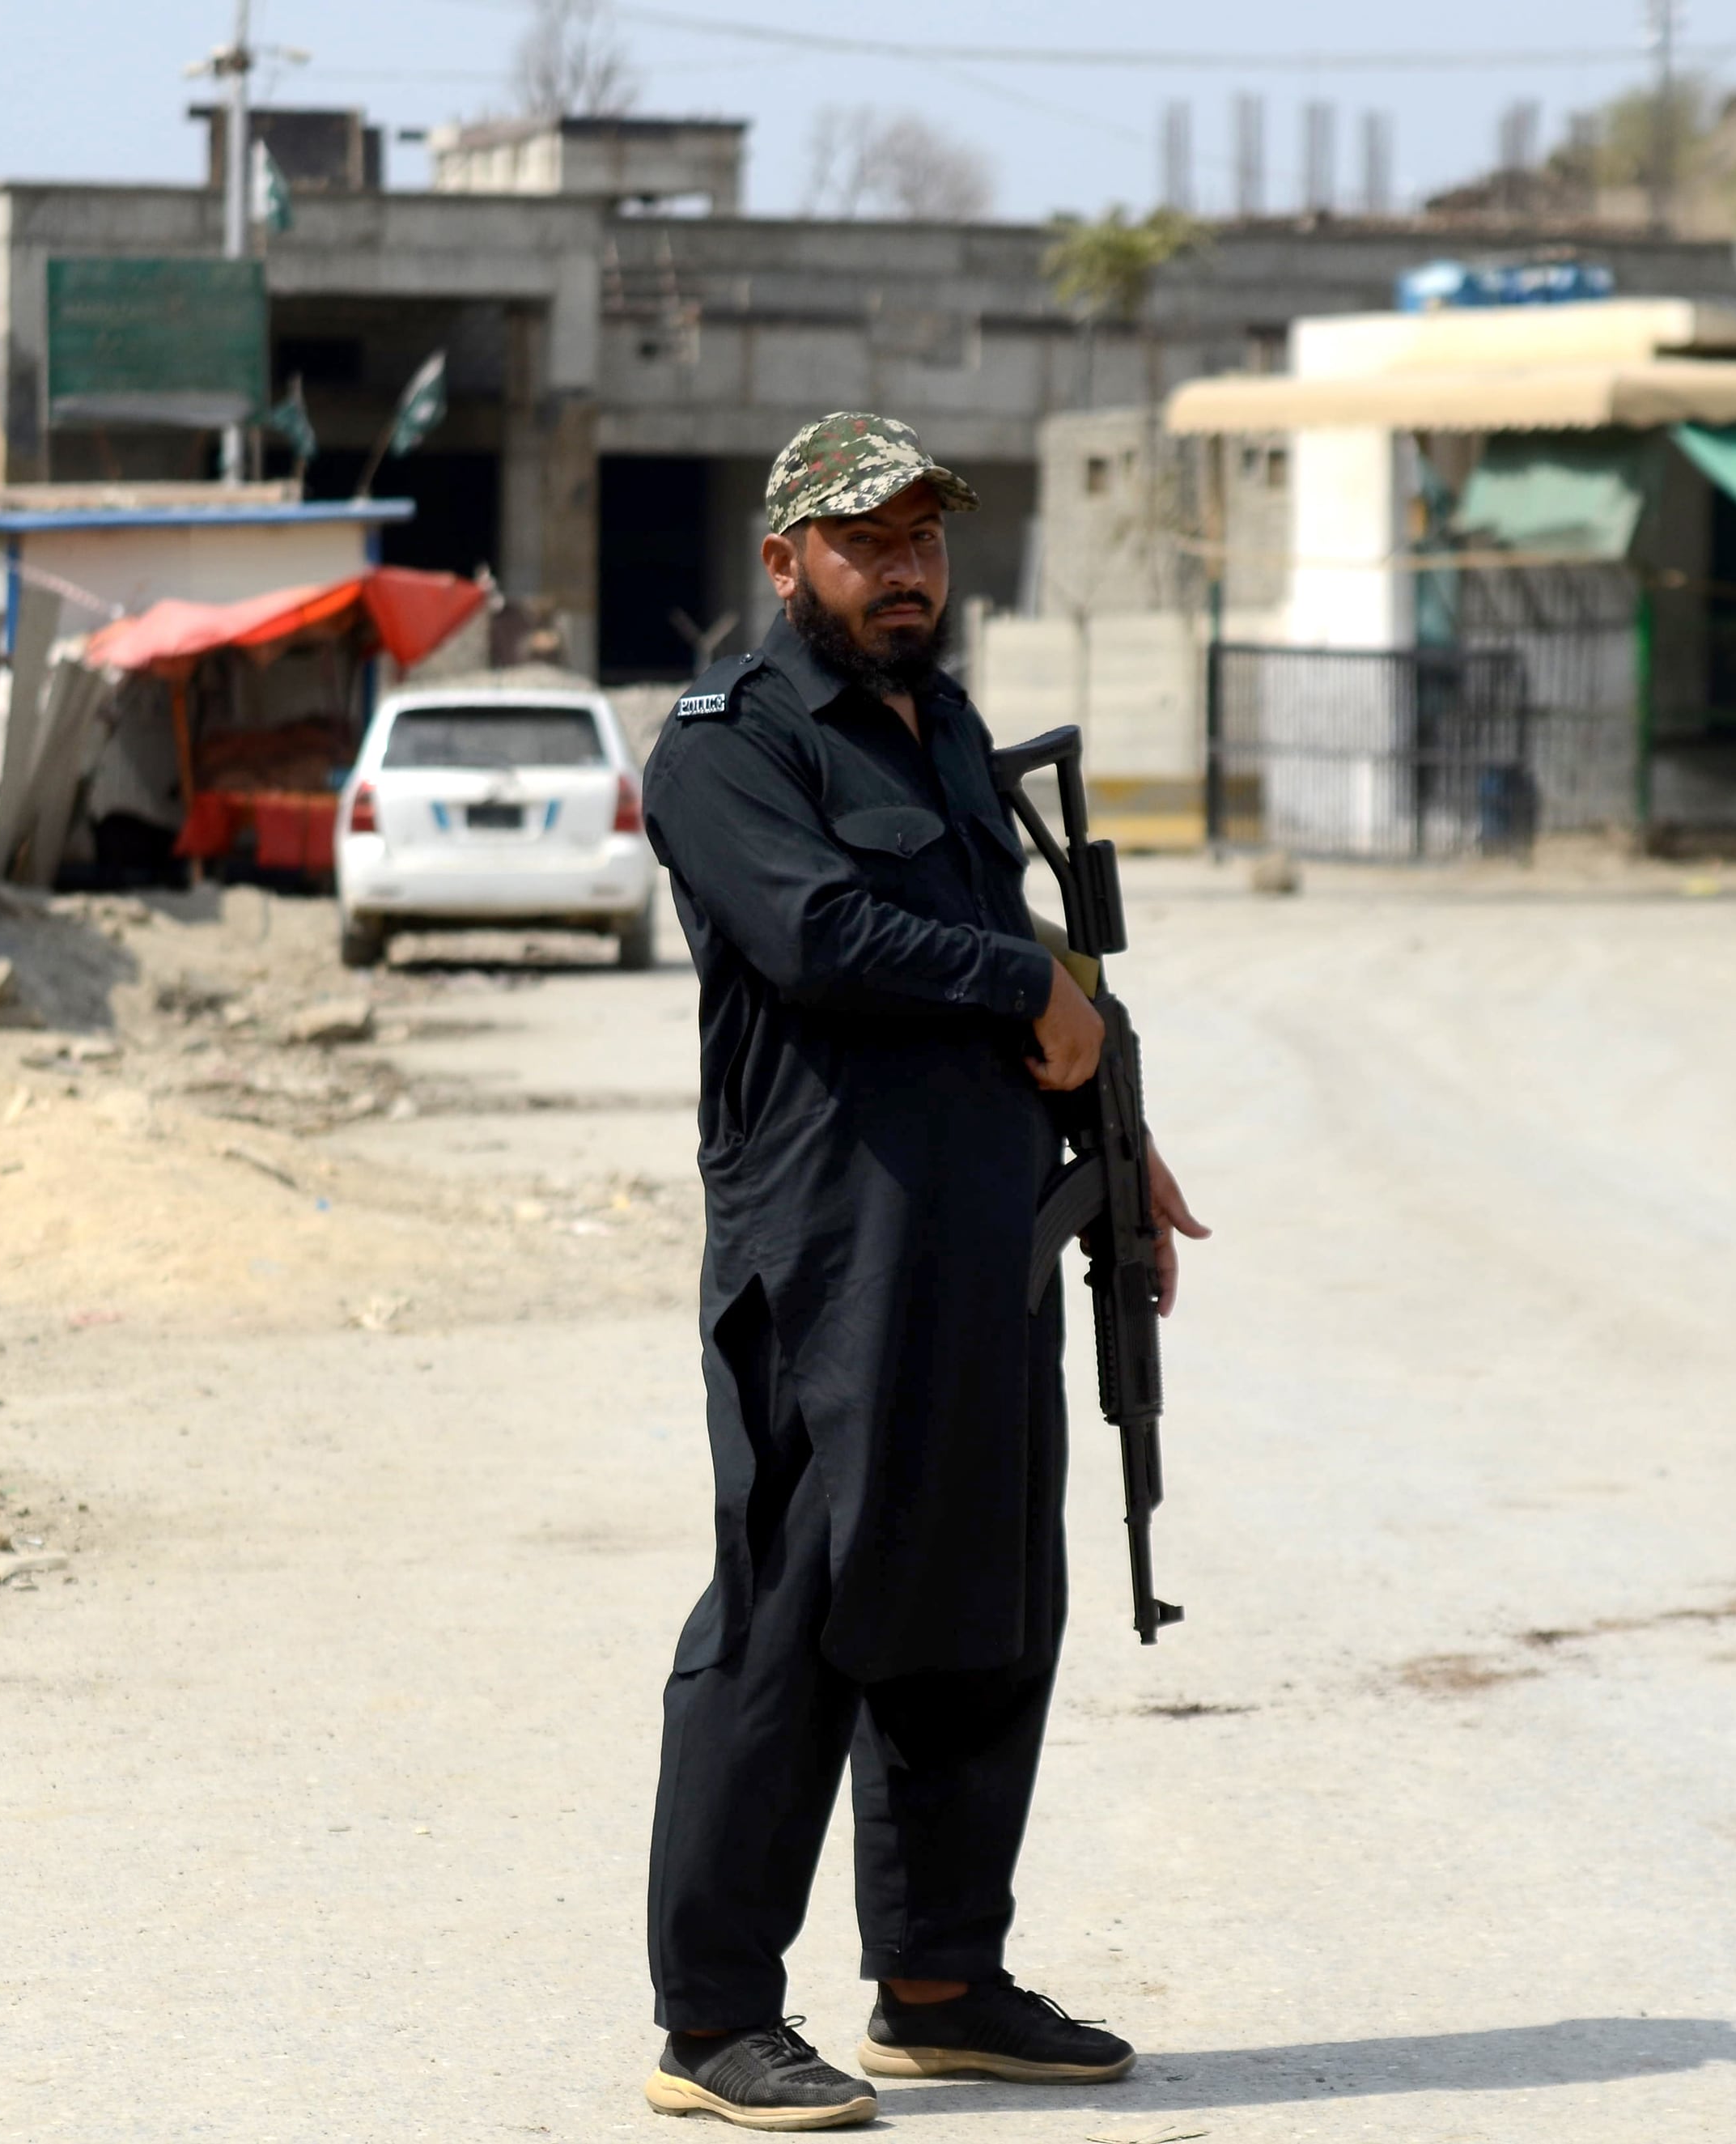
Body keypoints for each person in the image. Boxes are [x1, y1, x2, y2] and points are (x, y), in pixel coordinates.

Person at [636, 411, 1209, 2130]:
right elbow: (815, 930)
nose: (902, 570)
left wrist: (1116, 1110)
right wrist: (1019, 989)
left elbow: (1034, 957)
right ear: (784, 558)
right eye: (864, 540)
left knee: (981, 1600)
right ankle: (713, 2016)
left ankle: (943, 1979)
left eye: (922, 541)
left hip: (981, 1233)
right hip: (823, 1244)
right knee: (791, 1610)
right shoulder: (722, 744)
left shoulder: (944, 726)